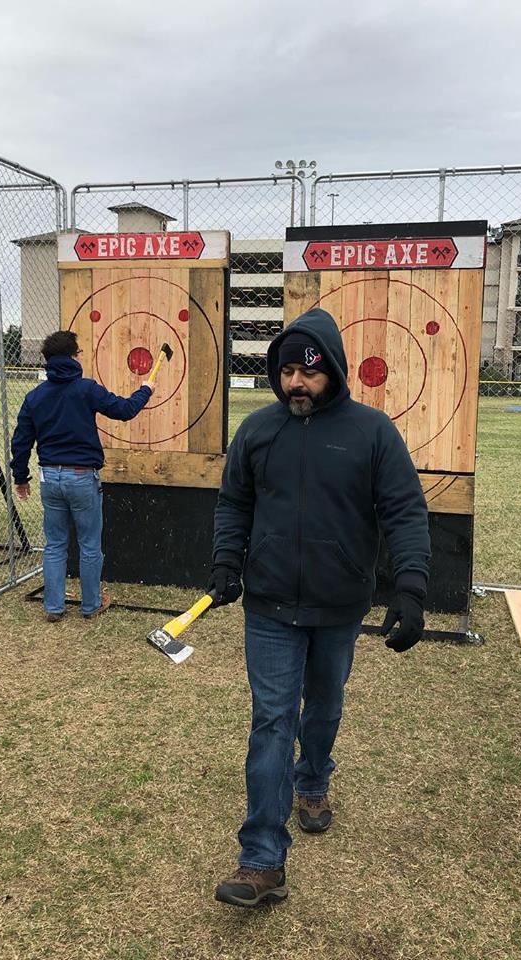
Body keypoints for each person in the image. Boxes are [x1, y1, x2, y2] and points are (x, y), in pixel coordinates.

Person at [208, 307, 431, 908]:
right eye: (286, 373)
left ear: (331, 369)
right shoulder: (257, 430)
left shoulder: (372, 432)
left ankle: (313, 779)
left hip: (339, 604)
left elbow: (405, 510)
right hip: (270, 605)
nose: (295, 384)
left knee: (325, 704)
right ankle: (262, 860)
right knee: (272, 719)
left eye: (307, 372)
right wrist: (227, 561)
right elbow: (233, 503)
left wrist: (410, 587)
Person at [10, 330, 154, 621]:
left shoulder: (35, 397)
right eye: (78, 353)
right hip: (81, 477)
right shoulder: (86, 389)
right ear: (72, 357)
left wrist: (21, 477)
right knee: (89, 545)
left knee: (55, 545)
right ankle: (91, 606)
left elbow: (21, 441)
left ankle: (54, 607)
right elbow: (125, 410)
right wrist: (146, 390)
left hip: (49, 478)